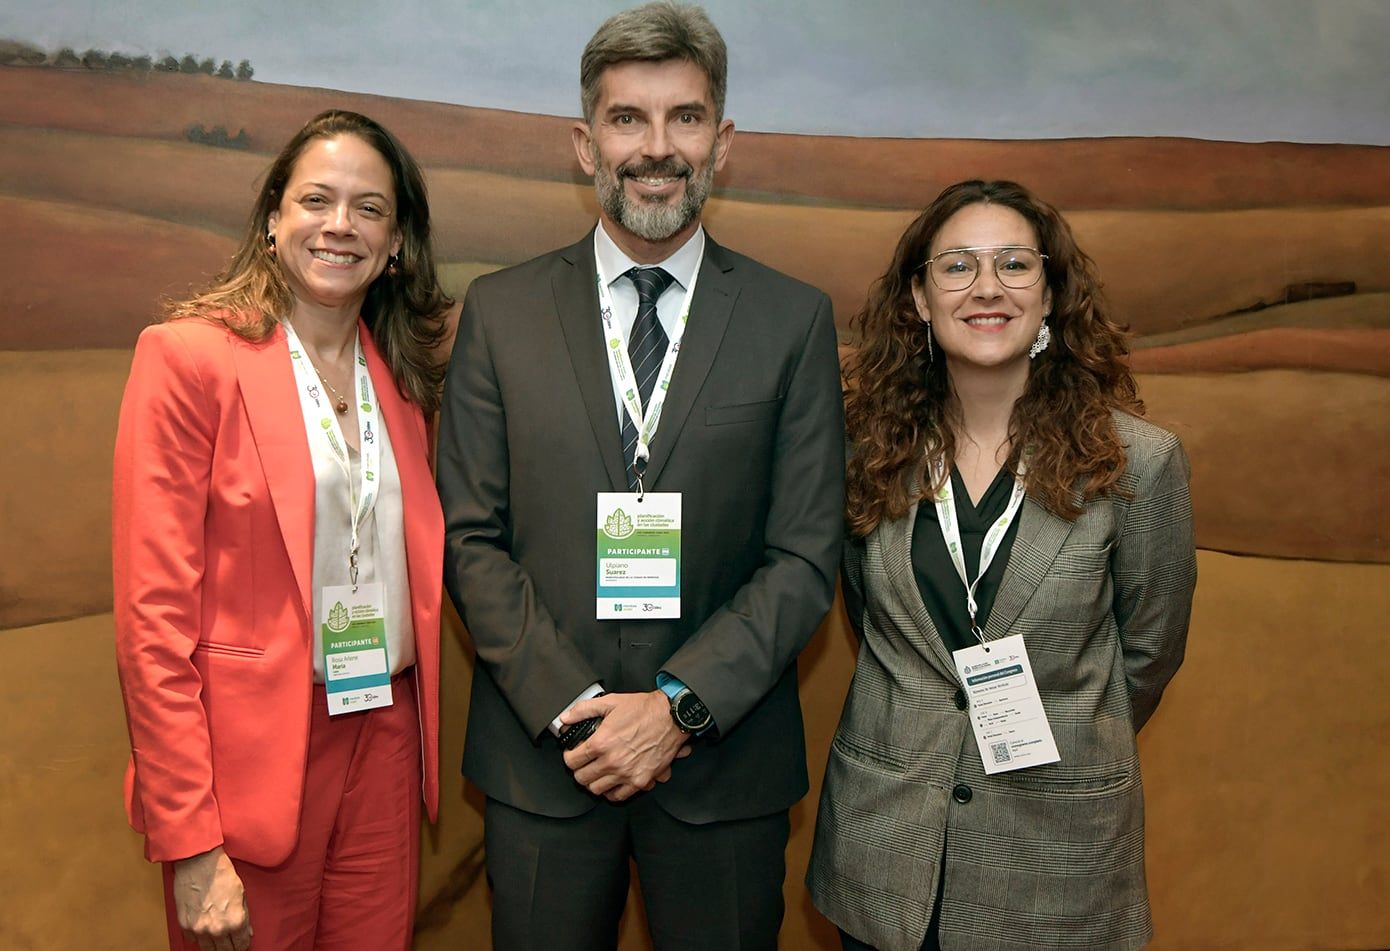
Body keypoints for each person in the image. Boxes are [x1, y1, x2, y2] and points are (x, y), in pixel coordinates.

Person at [436, 3, 845, 948]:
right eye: (628, 119)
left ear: (722, 140)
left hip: (723, 773)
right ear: (585, 145)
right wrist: (581, 714)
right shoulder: (500, 312)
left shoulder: (792, 321)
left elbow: (804, 553)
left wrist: (676, 710)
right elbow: (470, 537)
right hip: (546, 771)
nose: (656, 148)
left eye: (685, 118)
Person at [807, 180, 1197, 951]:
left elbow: (1147, 651)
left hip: (1055, 857)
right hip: (887, 850)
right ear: (920, 298)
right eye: (957, 266)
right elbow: (870, 614)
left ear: (1051, 294)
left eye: (1015, 264)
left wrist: (1066, 726)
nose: (986, 287)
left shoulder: (1137, 465)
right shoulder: (863, 458)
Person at [112, 109, 452, 951]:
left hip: (383, 734)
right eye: (317, 200)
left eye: (370, 208)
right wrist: (190, 842)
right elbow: (152, 628)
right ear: (272, 219)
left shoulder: (404, 384)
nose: (341, 225)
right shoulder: (188, 359)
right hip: (248, 767)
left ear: (397, 241)